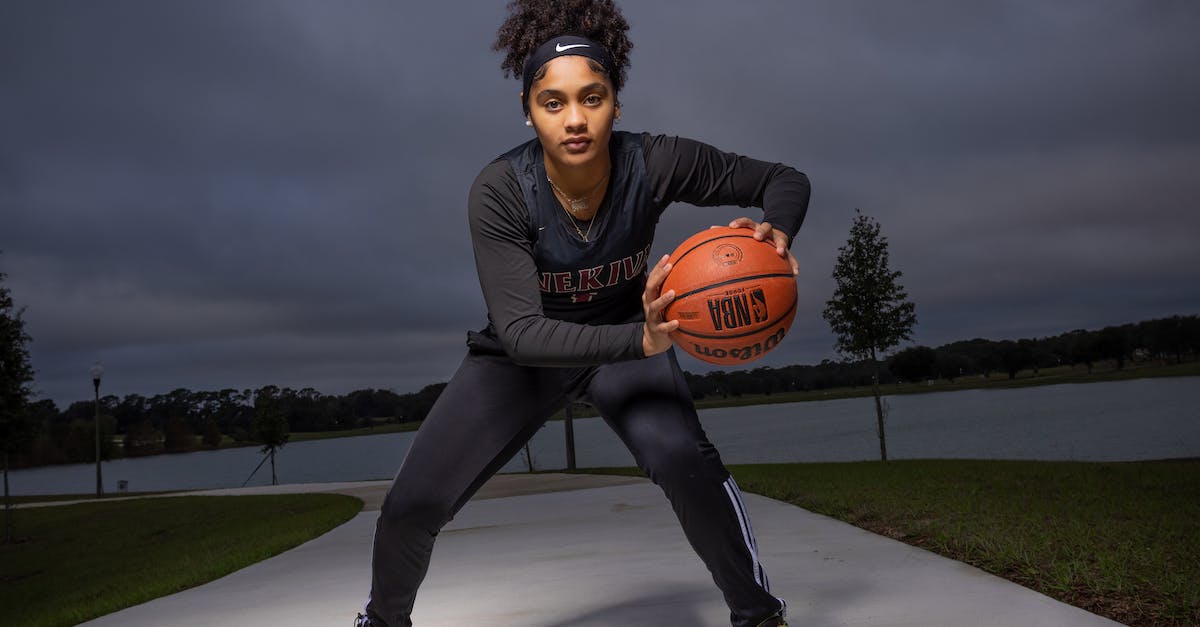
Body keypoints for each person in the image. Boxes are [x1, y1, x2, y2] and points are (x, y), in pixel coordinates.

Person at [357, 1, 809, 625]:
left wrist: (775, 233)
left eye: (592, 98)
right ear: (528, 109)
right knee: (411, 505)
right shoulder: (501, 190)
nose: (575, 119)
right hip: (533, 357)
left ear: (616, 102)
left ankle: (759, 615)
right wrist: (643, 341)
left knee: (685, 462)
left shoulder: (653, 162)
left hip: (627, 338)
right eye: (553, 102)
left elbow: (784, 180)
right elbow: (520, 334)